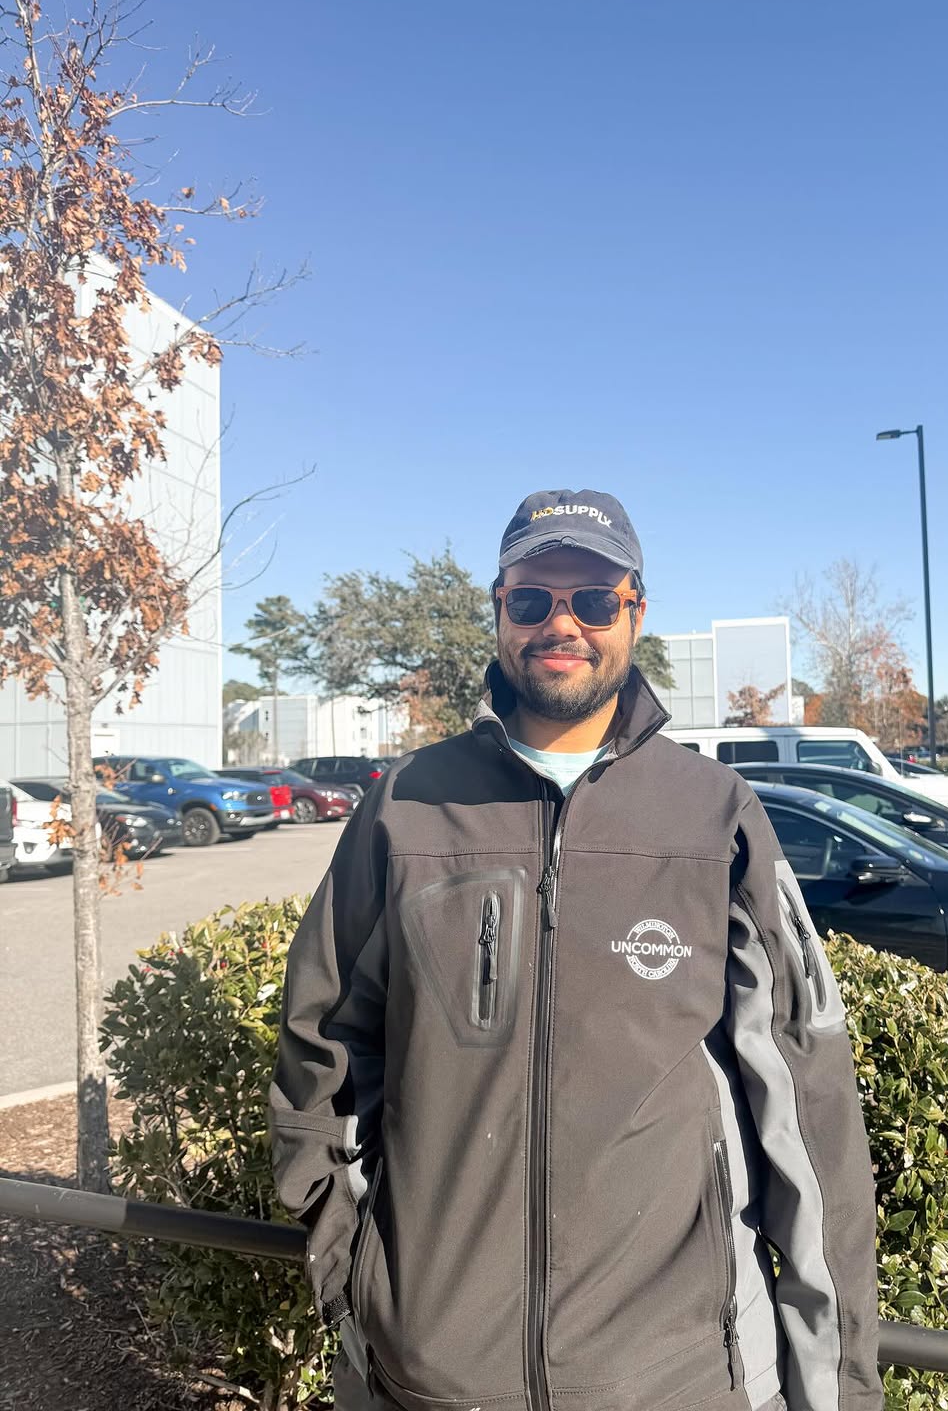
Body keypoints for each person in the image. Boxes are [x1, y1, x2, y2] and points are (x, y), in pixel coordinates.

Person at [270, 489, 883, 1411]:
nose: (562, 624)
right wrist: (355, 1285)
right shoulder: (406, 806)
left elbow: (808, 1103)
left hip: (679, 1380)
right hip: (433, 1376)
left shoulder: (714, 813)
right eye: (532, 599)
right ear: (499, 611)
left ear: (636, 613)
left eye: (594, 600)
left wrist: (840, 1387)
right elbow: (322, 1054)